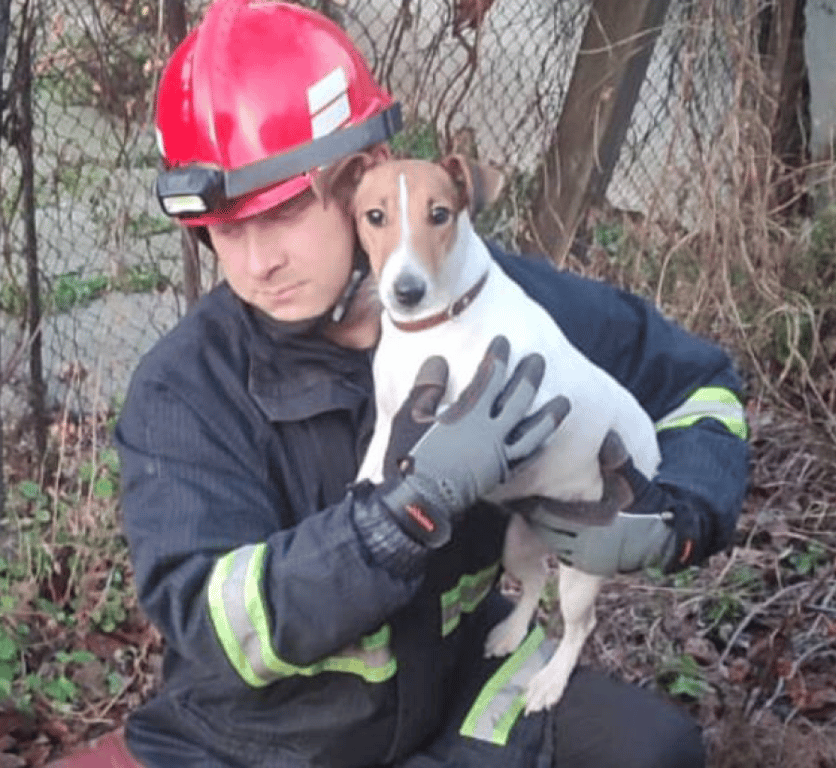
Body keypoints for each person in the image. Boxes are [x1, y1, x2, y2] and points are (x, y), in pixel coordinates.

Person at [63, 1, 750, 766]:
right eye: (228, 229)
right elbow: (217, 625)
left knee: (654, 751)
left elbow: (696, 381)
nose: (259, 262)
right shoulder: (185, 390)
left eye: (288, 210)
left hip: (449, 687)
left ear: (367, 170)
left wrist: (681, 513)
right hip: (261, 743)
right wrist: (400, 515)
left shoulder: (499, 310)